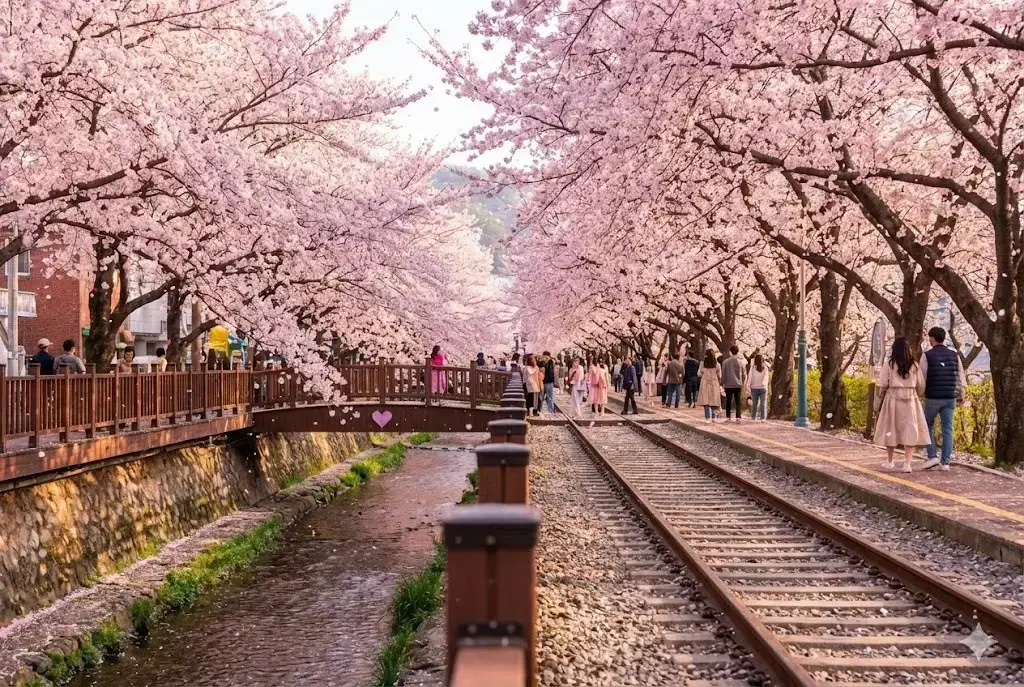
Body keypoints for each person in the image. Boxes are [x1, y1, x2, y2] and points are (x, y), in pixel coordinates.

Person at [874, 337, 930, 472]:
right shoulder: (914, 365)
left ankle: (890, 461)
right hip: (911, 399)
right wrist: (918, 393)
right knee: (910, 429)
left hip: (893, 398)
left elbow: (883, 383)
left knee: (891, 429)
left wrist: (881, 394)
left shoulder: (890, 364)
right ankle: (907, 463)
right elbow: (921, 385)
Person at [919, 327, 966, 471]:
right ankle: (945, 462)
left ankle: (932, 455)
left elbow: (922, 378)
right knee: (948, 429)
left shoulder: (927, 356)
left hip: (933, 396)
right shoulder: (954, 355)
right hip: (950, 397)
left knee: (927, 424)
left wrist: (920, 393)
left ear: (932, 338)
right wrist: (961, 394)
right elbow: (960, 376)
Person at [696, 350, 722, 422]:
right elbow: (720, 375)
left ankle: (707, 417)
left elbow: (699, 374)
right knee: (714, 400)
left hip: (705, 382)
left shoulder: (702, 363)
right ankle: (714, 417)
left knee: (706, 400)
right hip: (714, 382)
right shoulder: (717, 364)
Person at [721, 345, 745, 423]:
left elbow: (723, 373)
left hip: (728, 384)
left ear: (730, 352)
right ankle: (738, 417)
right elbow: (744, 374)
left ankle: (728, 417)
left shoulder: (726, 362)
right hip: (738, 384)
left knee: (728, 400)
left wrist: (722, 382)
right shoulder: (741, 362)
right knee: (738, 401)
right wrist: (742, 382)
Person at [746, 353, 770, 421]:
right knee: (763, 403)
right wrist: (765, 386)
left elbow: (750, 378)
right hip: (763, 388)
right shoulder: (765, 368)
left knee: (754, 404)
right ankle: (763, 418)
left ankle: (753, 417)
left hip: (754, 388)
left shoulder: (753, 368)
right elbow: (766, 379)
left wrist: (748, 387)